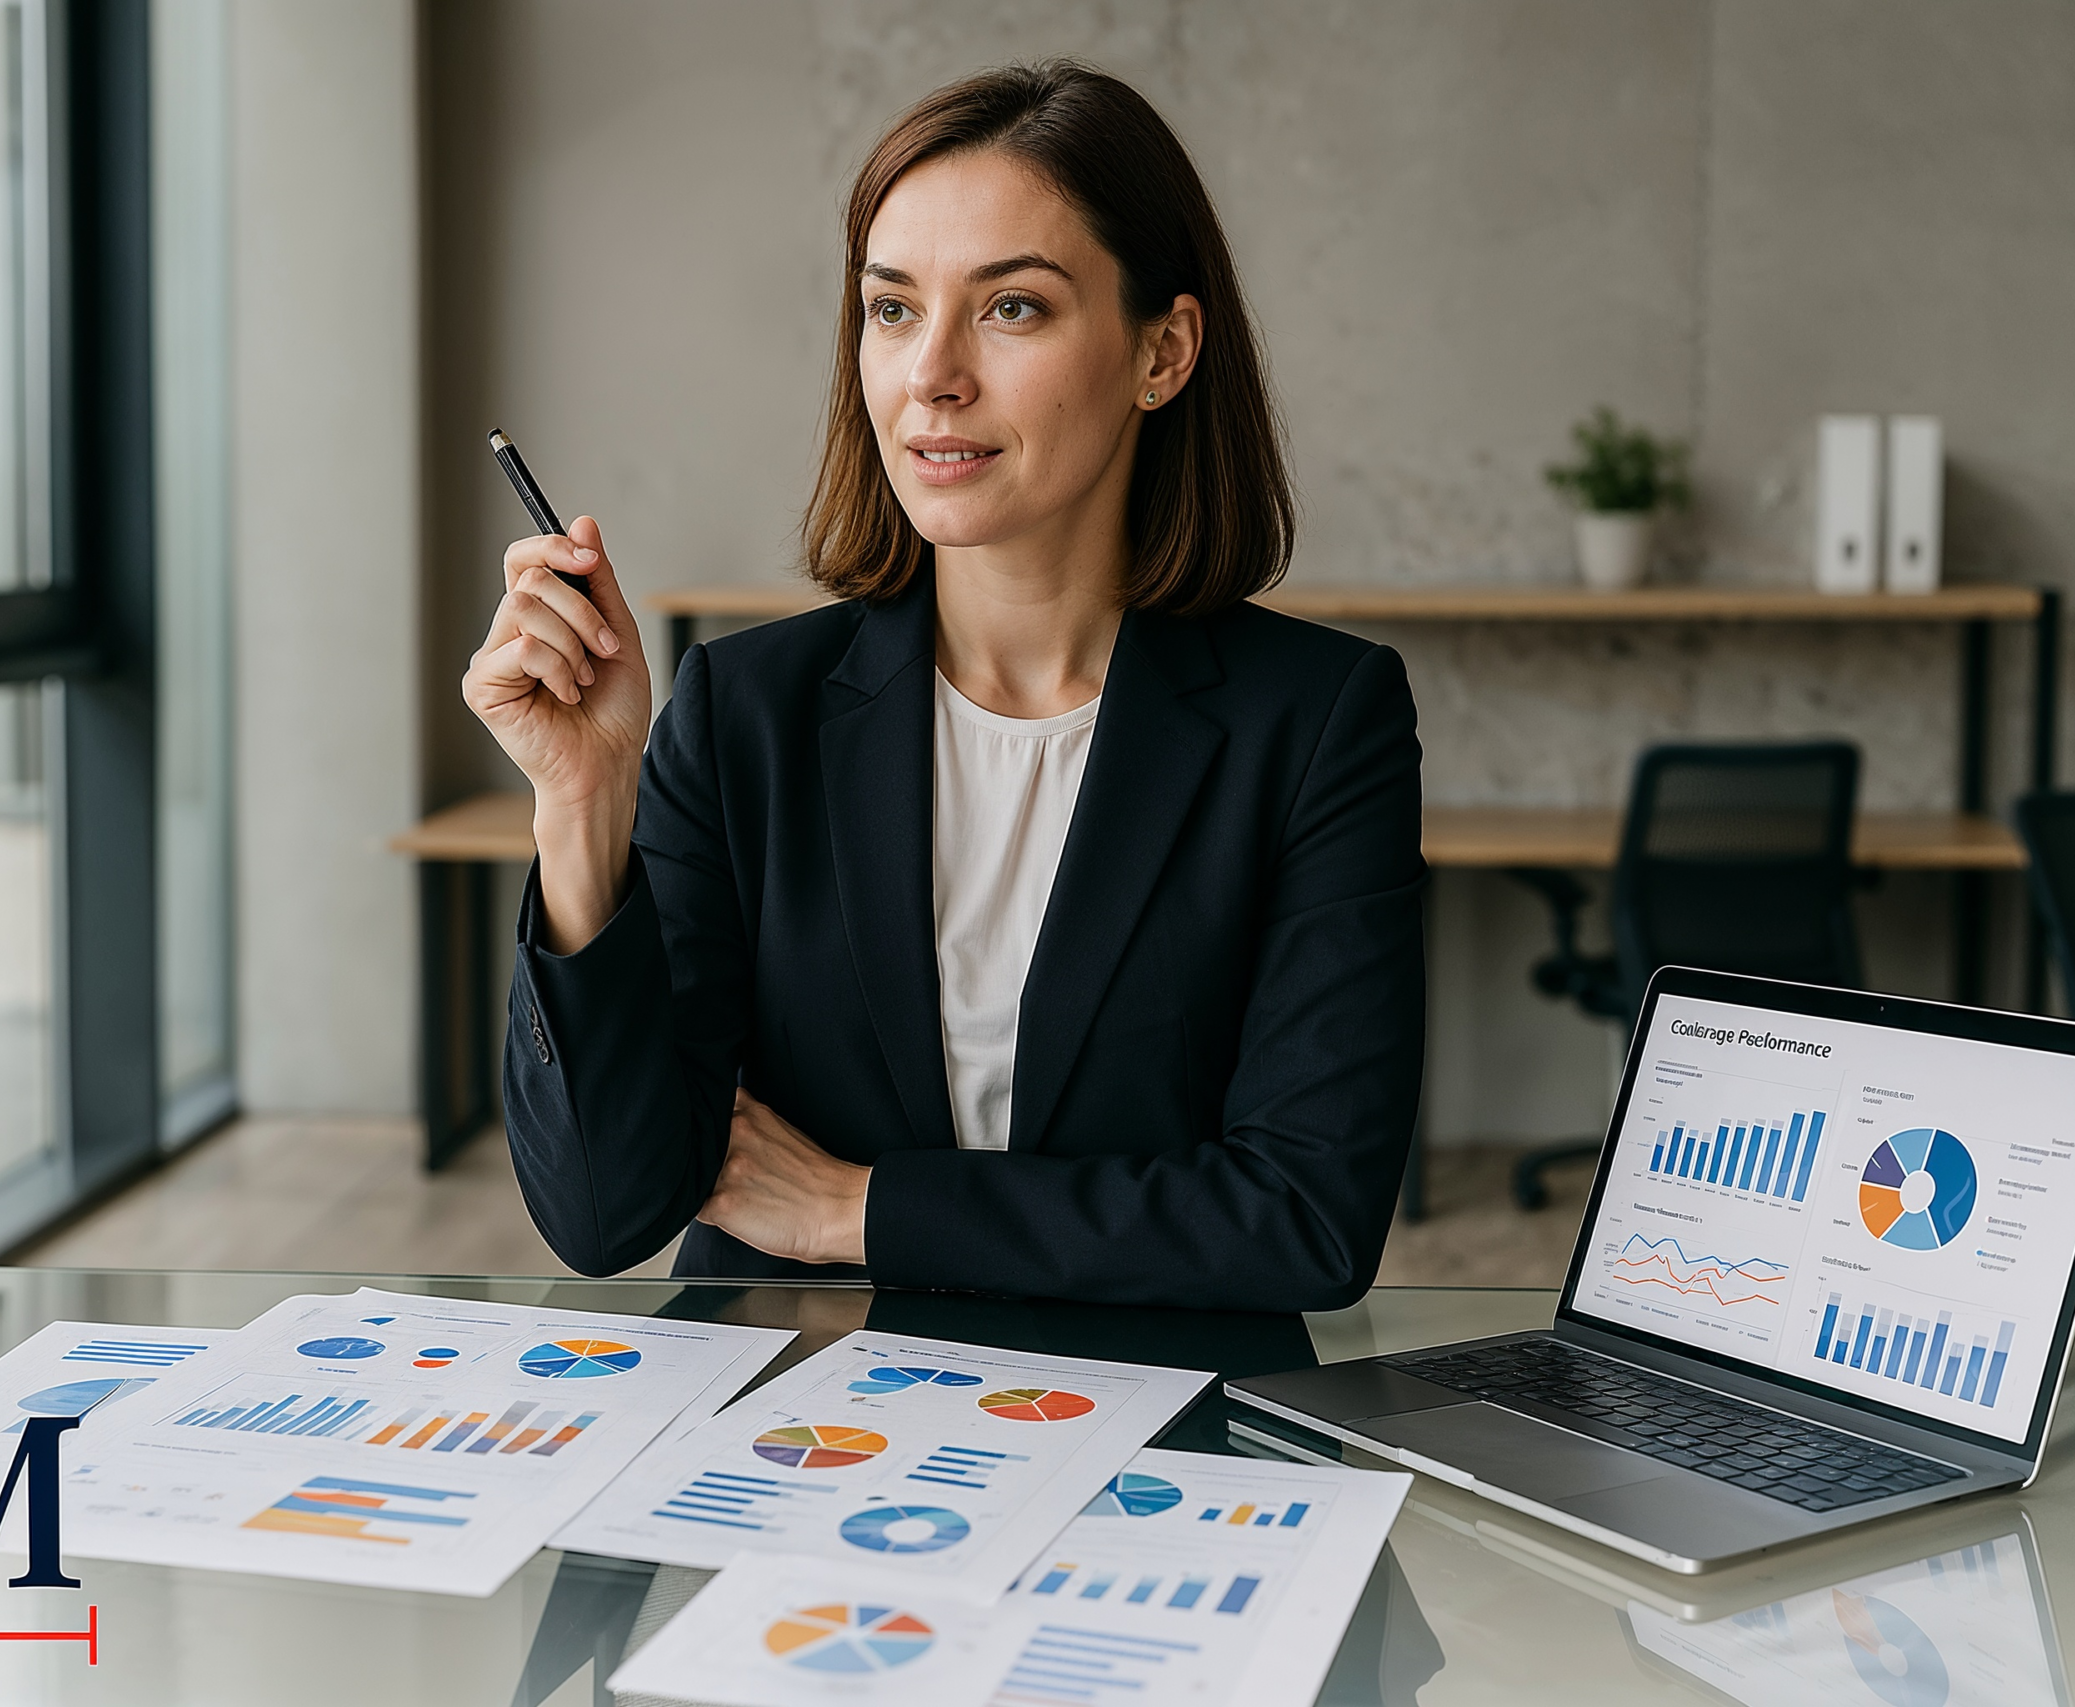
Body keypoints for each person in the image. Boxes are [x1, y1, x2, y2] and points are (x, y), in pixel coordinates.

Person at [465, 61, 1423, 1312]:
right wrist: (584, 810)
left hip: (1150, 1441)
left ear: (1163, 352)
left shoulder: (1315, 723)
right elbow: (606, 1214)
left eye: (1012, 308)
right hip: (791, 1428)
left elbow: (1301, 1221)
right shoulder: (742, 712)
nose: (932, 375)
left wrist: (854, 1208)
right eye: (892, 309)